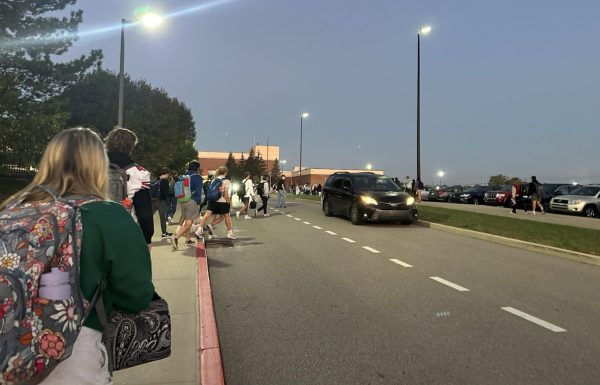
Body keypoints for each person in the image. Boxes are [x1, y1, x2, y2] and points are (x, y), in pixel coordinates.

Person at [1, 127, 155, 385]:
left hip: (9, 346)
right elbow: (137, 296)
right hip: (71, 356)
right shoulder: (110, 216)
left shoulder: (14, 210)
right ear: (99, 166)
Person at [105, 127, 154, 248]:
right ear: (131, 147)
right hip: (125, 231)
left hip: (91, 230)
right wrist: (147, 238)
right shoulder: (139, 173)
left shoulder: (91, 166)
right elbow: (144, 211)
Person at [196, 166, 236, 239]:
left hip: (212, 200)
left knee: (207, 215)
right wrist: (228, 201)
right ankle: (229, 233)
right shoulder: (226, 181)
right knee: (226, 216)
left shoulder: (214, 180)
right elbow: (226, 193)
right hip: (222, 201)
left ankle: (199, 230)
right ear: (226, 173)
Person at [172, 160, 203, 250]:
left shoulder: (184, 175)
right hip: (191, 201)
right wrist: (197, 202)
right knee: (189, 222)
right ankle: (176, 238)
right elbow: (198, 191)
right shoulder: (197, 177)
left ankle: (188, 239)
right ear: (197, 168)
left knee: (186, 219)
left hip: (182, 200)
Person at [152, 167, 172, 238]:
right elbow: (166, 193)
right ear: (166, 174)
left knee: (149, 216)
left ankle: (141, 231)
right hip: (160, 201)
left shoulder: (156, 180)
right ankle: (164, 233)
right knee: (162, 218)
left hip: (152, 200)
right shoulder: (165, 181)